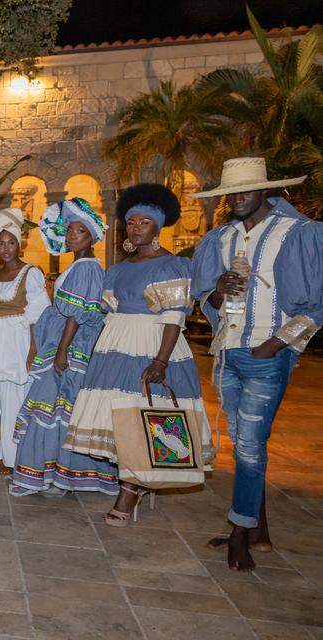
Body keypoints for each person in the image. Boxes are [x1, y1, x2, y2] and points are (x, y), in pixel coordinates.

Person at [190, 157, 322, 571]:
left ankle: (239, 532)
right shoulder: (220, 238)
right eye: (232, 192)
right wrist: (216, 291)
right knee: (244, 444)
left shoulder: (296, 234)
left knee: (248, 444)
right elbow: (204, 296)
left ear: (266, 190)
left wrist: (277, 345)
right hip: (229, 353)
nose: (238, 198)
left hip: (268, 356)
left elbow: (317, 305)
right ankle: (259, 528)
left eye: (246, 190)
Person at [65, 184, 211, 525]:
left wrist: (161, 360)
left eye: (145, 222)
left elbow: (174, 317)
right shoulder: (117, 269)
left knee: (146, 418)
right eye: (132, 222)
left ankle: (129, 492)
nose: (136, 227)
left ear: (158, 227)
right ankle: (135, 483)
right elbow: (106, 310)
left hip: (153, 343)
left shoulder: (172, 266)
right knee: (119, 419)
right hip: (114, 345)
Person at [9, 199, 114, 497]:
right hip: (62, 344)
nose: (71, 236)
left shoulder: (87, 268)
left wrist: (61, 352)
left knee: (54, 410)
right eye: (69, 230)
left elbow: (76, 315)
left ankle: (55, 477)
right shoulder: (81, 265)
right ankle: (50, 476)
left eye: (79, 231)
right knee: (55, 411)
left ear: (91, 236)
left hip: (69, 348)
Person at [0, 209, 49, 474]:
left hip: (16, 342)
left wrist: (33, 350)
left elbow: (39, 316)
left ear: (19, 244)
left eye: (11, 242)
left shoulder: (30, 273)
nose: (6, 248)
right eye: (1, 242)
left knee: (14, 398)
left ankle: (15, 457)